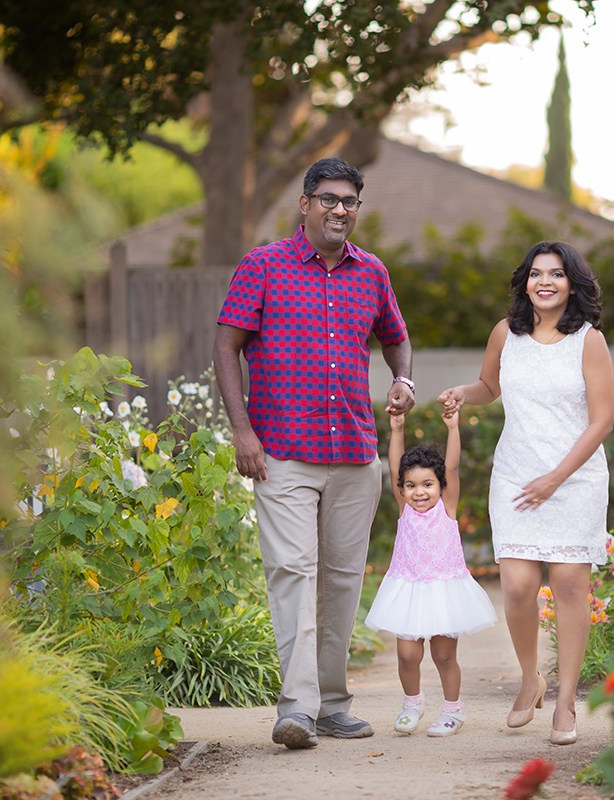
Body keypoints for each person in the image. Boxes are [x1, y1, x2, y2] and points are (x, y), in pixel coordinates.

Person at [212, 157, 415, 750]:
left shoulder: (371, 273)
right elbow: (227, 347)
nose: (339, 210)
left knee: (342, 581)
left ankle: (331, 704)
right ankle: (296, 708)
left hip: (355, 453)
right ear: (305, 204)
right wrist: (243, 431)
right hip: (282, 452)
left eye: (350, 201)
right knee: (294, 575)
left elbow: (397, 341)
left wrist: (403, 381)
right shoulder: (263, 266)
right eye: (328, 199)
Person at [437, 240, 614, 746]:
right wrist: (461, 394)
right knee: (515, 586)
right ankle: (530, 678)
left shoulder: (588, 341)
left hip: (573, 479)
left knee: (569, 587)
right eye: (537, 274)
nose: (545, 282)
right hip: (516, 477)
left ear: (572, 284)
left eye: (556, 274)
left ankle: (564, 701)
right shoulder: (505, 334)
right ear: (525, 281)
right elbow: (488, 387)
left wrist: (556, 478)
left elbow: (603, 420)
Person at [364, 407, 497, 737]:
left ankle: (453, 710)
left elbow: (451, 465)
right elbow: (395, 466)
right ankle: (412, 704)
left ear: (440, 486)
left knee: (443, 655)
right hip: (408, 588)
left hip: (443, 590)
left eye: (427, 484)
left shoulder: (447, 507)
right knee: (407, 654)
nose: (419, 492)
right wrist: (397, 429)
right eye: (411, 485)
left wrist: (453, 427)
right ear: (402, 488)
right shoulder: (403, 507)